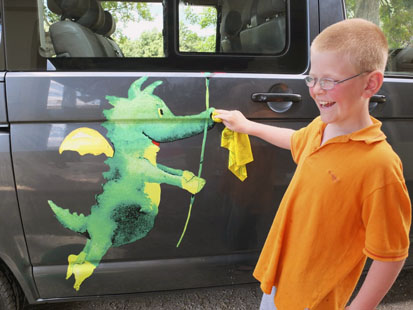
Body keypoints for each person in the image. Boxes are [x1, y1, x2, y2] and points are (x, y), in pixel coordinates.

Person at [214, 18, 411, 310]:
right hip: (281, 279)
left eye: (329, 81)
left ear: (370, 83)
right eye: (312, 78)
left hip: (314, 298)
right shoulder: (320, 128)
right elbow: (294, 139)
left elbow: (391, 254)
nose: (316, 90)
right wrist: (248, 126)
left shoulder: (379, 165)